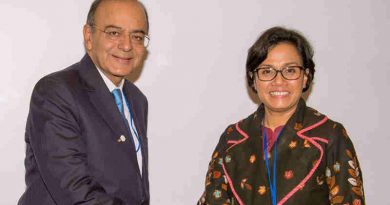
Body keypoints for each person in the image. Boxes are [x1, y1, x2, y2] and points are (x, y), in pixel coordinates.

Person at [198, 26, 365, 205]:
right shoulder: (233, 138)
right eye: (267, 71)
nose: (279, 81)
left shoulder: (329, 136)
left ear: (306, 76)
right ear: (253, 79)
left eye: (290, 70)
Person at [18, 0, 150, 204]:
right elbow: (74, 191)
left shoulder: (137, 100)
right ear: (89, 37)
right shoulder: (55, 92)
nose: (126, 45)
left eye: (137, 36)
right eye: (114, 33)